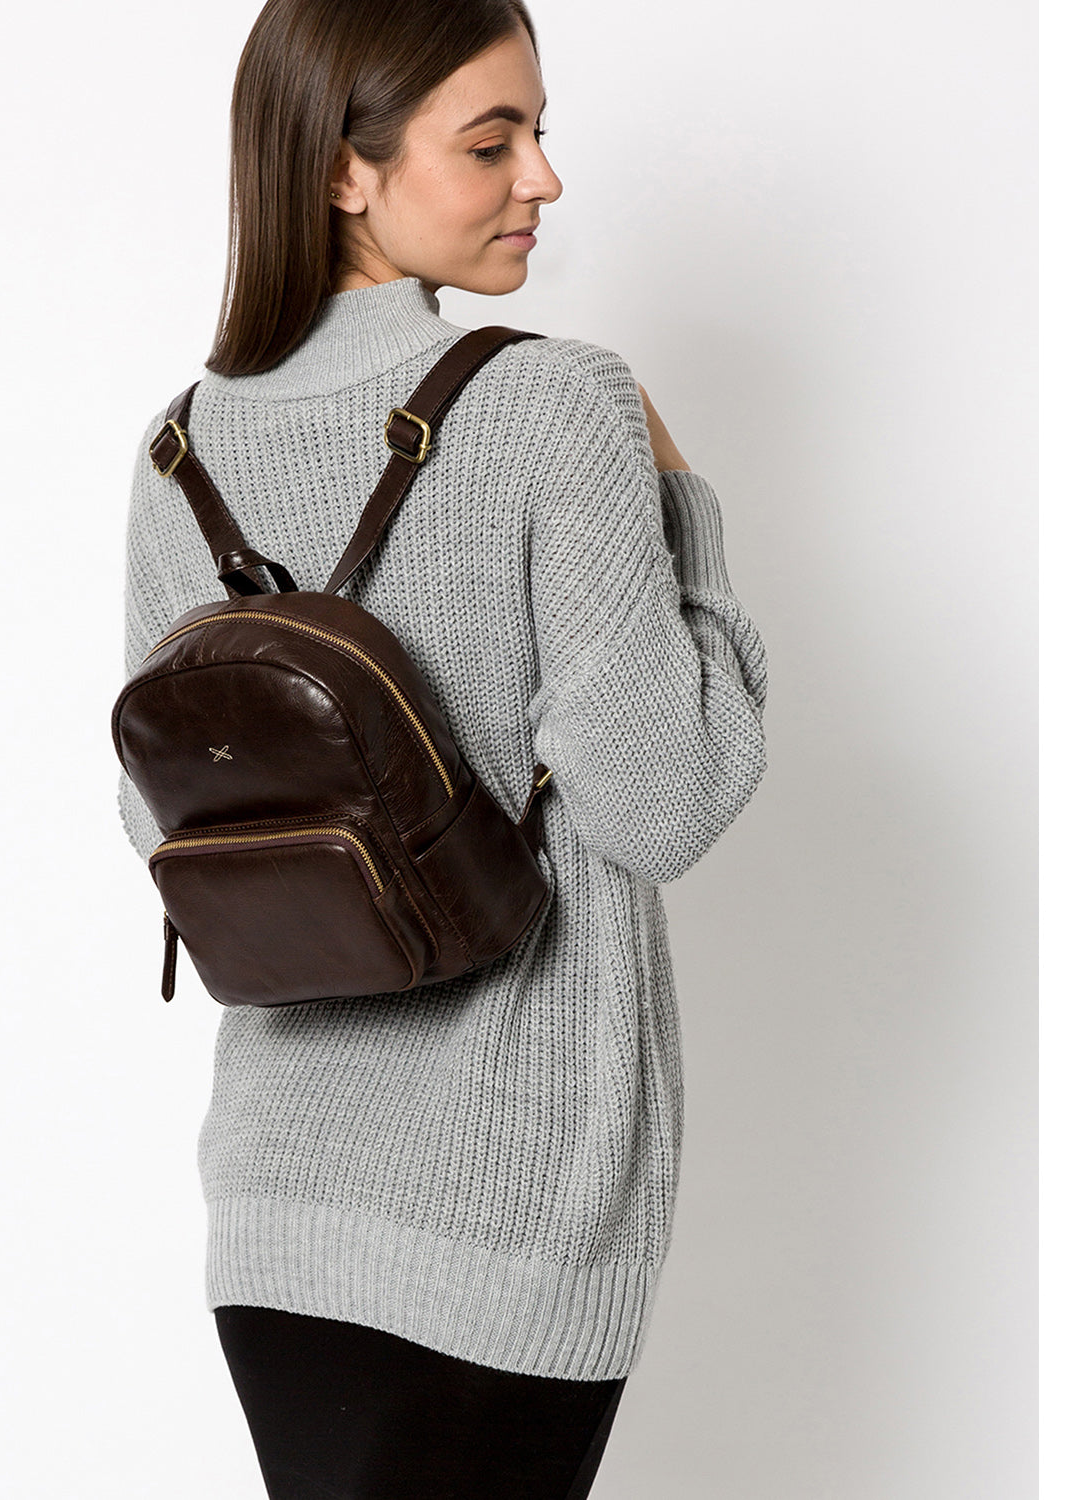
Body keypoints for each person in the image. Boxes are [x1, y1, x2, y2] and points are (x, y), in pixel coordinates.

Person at [116, 1, 769, 1494]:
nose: (544, 178)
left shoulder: (176, 450)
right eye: (493, 142)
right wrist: (687, 508)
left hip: (275, 1195)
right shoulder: (555, 400)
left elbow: (160, 818)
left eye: (539, 133)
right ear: (342, 170)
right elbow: (664, 802)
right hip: (510, 1199)